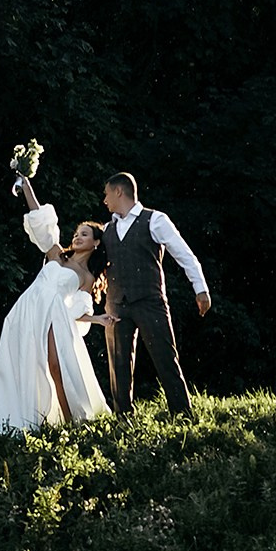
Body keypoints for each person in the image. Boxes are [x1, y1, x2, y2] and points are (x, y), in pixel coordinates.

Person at [0, 171, 114, 436]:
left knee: (55, 365)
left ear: (96, 243)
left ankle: (70, 422)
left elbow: (77, 309)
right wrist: (27, 186)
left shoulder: (87, 278)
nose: (77, 237)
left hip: (53, 314)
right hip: (28, 310)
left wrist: (98, 319)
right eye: (77, 233)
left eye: (84, 234)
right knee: (21, 363)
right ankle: (20, 413)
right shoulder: (57, 255)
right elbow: (40, 218)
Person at [100, 171, 210, 416]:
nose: (104, 200)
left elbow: (184, 254)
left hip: (150, 301)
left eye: (107, 194)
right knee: (118, 365)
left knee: (165, 358)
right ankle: (122, 419)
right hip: (116, 305)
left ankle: (182, 415)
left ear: (119, 191)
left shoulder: (155, 220)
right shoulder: (107, 229)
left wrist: (200, 288)